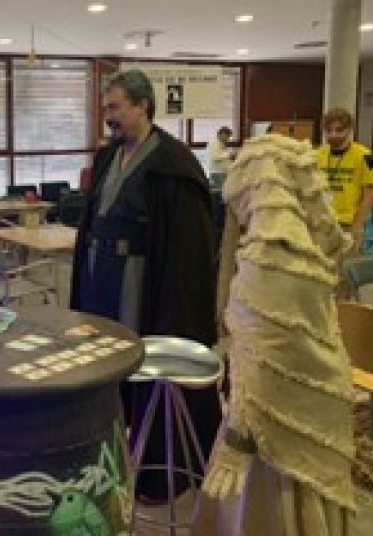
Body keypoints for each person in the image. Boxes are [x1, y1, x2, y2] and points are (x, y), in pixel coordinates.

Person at [69, 69, 221, 502]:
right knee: (99, 363)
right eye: (106, 107)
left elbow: (190, 247)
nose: (108, 116)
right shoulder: (108, 157)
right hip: (99, 276)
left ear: (142, 106)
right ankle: (104, 453)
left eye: (115, 107)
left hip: (139, 283)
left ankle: (154, 466)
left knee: (136, 364)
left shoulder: (173, 165)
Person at [192, 133, 355, 536]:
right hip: (320, 404)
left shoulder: (264, 267)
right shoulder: (309, 258)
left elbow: (257, 363)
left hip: (265, 425)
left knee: (270, 501)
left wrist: (237, 437)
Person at [316, 107, 373, 249]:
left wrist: (358, 225)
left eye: (339, 130)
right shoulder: (317, 155)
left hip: (349, 224)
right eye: (328, 130)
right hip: (322, 224)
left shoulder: (365, 155)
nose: (333, 135)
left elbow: (369, 194)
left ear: (350, 130)